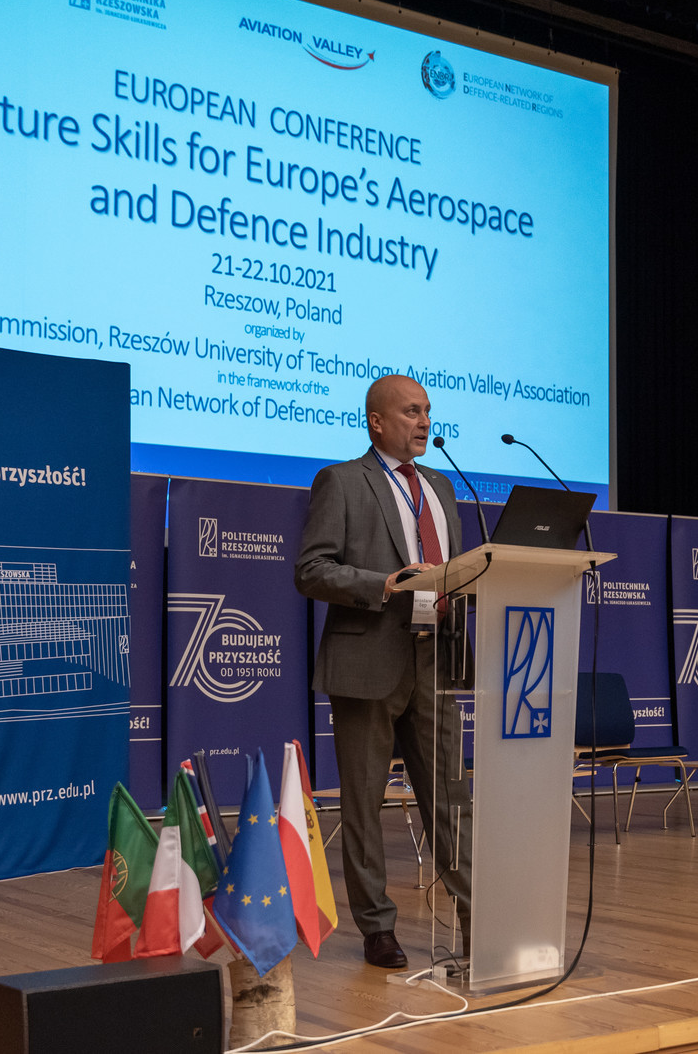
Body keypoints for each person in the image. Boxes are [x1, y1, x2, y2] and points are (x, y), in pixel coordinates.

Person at [295, 374, 472, 969]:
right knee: (365, 802)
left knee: (451, 799)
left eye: (428, 412)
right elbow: (311, 570)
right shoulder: (343, 481)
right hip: (368, 657)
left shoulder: (442, 487)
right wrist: (383, 584)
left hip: (436, 658)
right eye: (411, 412)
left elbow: (455, 569)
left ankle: (477, 921)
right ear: (376, 421)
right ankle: (376, 927)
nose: (424, 422)